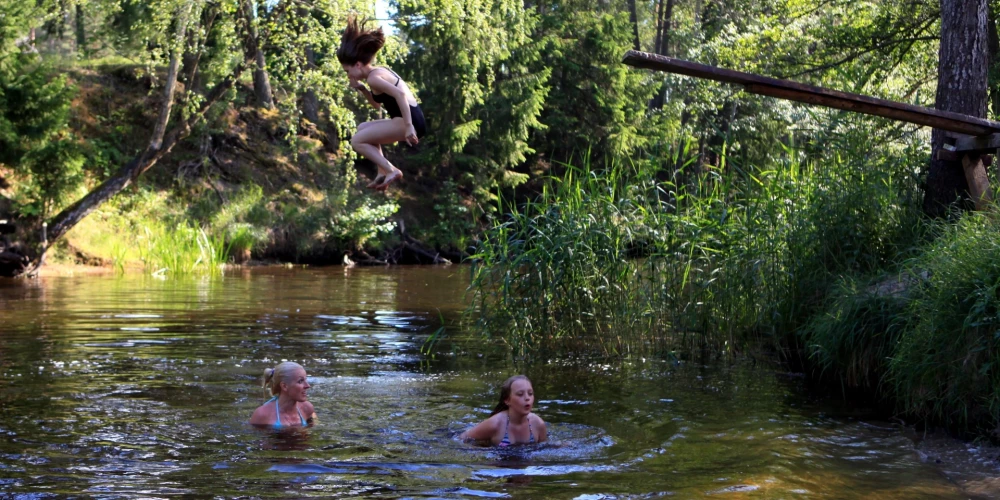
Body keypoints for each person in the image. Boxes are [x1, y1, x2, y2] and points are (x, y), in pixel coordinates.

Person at [337, 14, 427, 191]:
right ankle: (382, 170)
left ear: (358, 65)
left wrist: (409, 126)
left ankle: (391, 170)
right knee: (363, 127)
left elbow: (401, 94)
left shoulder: (374, 78)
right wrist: (361, 89)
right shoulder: (375, 75)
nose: (348, 76)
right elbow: (377, 105)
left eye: (348, 71)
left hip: (411, 122)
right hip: (404, 120)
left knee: (357, 141)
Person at [460, 375, 548, 446]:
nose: (527, 398)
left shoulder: (538, 424)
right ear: (507, 400)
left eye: (530, 393)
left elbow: (545, 449)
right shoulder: (495, 424)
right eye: (520, 394)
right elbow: (462, 438)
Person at [249, 361, 316, 429]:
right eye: (300, 381)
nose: (308, 386)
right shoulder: (262, 414)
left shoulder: (307, 408)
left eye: (305, 380)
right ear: (284, 386)